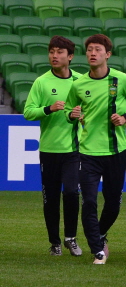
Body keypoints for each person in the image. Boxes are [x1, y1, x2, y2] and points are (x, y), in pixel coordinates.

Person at [65, 34, 126, 264]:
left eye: (97, 49)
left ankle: (99, 233)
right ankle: (97, 249)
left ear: (107, 54)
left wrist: (125, 117)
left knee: (113, 204)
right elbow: (70, 109)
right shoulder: (78, 84)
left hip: (117, 152)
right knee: (89, 201)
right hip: (88, 153)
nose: (92, 53)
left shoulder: (122, 80)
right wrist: (71, 115)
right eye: (89, 49)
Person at [24, 36, 82, 257]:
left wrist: (81, 115)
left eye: (59, 52)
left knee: (70, 192)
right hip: (48, 150)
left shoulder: (79, 81)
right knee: (50, 199)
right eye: (51, 52)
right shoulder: (42, 82)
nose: (54, 56)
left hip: (73, 150)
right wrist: (48, 109)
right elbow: (29, 112)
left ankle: (71, 238)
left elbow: (89, 110)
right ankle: (55, 243)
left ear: (70, 56)